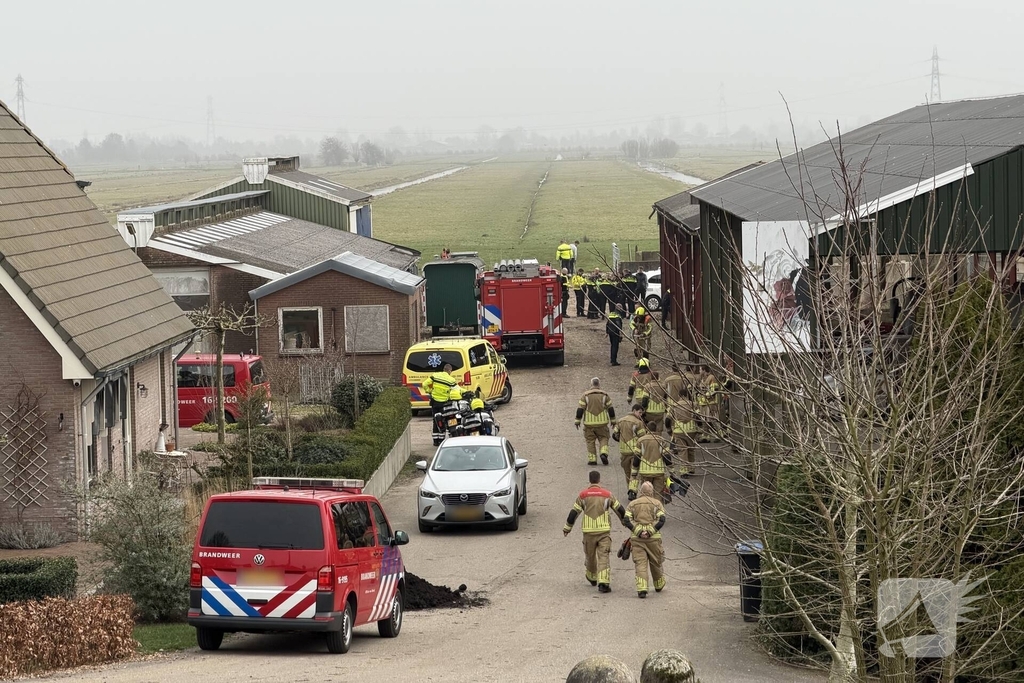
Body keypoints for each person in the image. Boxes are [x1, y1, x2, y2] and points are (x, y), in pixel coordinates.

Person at [563, 470, 627, 593]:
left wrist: (567, 528)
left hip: (588, 532)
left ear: (590, 480)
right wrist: (625, 522)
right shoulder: (607, 494)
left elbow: (573, 513)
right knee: (603, 556)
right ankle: (603, 583)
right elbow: (619, 509)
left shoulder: (583, 495)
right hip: (603, 531)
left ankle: (592, 576)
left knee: (590, 555)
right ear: (599, 480)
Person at [623, 481, 667, 598]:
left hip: (637, 540)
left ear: (641, 491)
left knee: (640, 564)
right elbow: (661, 520)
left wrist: (638, 531)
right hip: (653, 539)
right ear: (651, 492)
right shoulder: (657, 503)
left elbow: (627, 520)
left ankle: (642, 589)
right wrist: (650, 532)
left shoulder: (632, 504)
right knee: (656, 562)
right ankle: (658, 584)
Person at [576, 378, 616, 465]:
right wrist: (613, 421)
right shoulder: (605, 395)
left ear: (591, 385)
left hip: (589, 424)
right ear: (599, 385)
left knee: (590, 441)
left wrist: (577, 421)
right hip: (602, 423)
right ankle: (603, 453)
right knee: (604, 438)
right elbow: (610, 409)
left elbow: (580, 409)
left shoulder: (585, 395)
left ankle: (592, 459)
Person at [630, 423, 672, 501]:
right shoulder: (661, 440)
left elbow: (636, 458)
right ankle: (657, 507)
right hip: (659, 472)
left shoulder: (640, 441)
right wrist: (672, 472)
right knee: (658, 494)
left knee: (646, 493)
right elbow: (667, 457)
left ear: (646, 429)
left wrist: (634, 473)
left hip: (645, 472)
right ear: (656, 429)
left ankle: (647, 506)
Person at [665, 389, 698, 476]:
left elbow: (667, 419)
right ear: (686, 395)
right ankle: (691, 469)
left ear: (679, 396)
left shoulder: (674, 405)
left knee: (682, 450)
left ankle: (684, 470)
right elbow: (698, 417)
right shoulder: (693, 404)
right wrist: (699, 428)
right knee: (691, 449)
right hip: (691, 430)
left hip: (679, 430)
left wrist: (669, 430)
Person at [613, 404, 647, 487]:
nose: (640, 415)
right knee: (634, 473)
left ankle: (629, 489)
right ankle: (633, 490)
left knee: (627, 472)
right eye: (639, 412)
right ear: (634, 411)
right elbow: (643, 438)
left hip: (623, 451)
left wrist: (621, 440)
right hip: (634, 451)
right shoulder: (638, 423)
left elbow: (614, 434)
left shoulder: (620, 421)